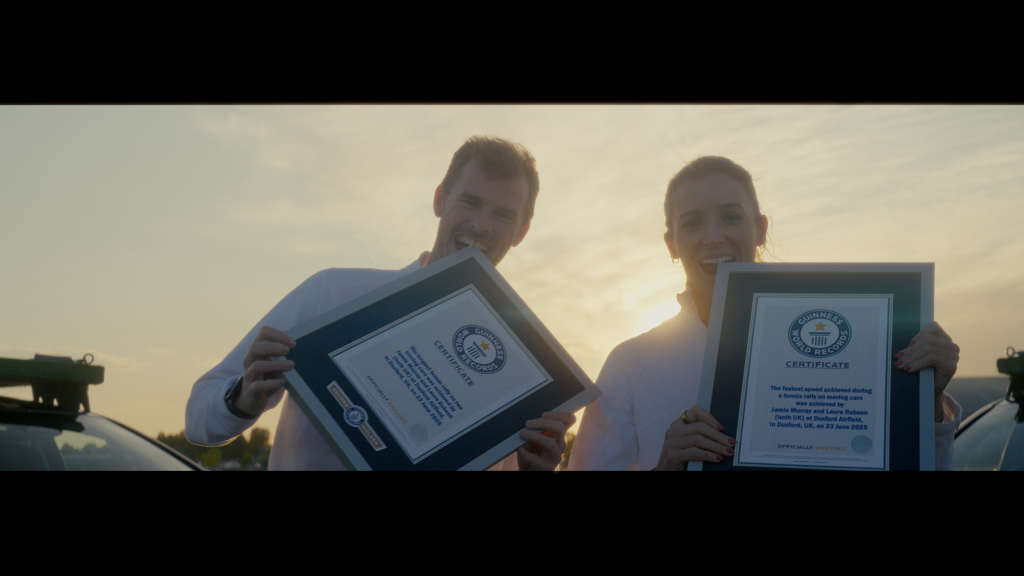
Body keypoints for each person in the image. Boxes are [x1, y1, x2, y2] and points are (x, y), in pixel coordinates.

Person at [186, 136, 575, 470]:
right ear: (441, 199)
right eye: (470, 202)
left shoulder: (525, 369)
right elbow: (198, 422)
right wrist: (244, 395)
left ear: (522, 232)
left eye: (504, 214)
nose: (483, 225)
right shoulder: (333, 294)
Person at [569, 155, 962, 471]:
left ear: (760, 229)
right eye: (692, 223)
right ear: (671, 244)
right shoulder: (631, 364)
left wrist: (926, 395)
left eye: (731, 216)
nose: (713, 236)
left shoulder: (862, 339)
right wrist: (666, 467)